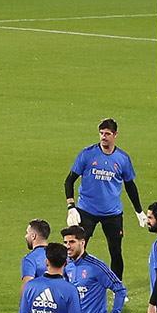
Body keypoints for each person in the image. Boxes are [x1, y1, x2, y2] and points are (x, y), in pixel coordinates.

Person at [64, 118, 146, 279]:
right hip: (87, 211)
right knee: (76, 248)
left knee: (115, 251)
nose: (103, 137)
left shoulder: (122, 158)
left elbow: (130, 185)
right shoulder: (87, 154)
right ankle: (70, 282)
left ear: (115, 135)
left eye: (107, 134)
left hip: (112, 213)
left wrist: (139, 211)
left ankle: (117, 287)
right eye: (101, 133)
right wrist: (71, 206)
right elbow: (69, 180)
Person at [21, 218, 51, 293]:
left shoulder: (30, 259)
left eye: (27, 233)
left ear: (33, 236)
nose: (25, 236)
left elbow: (27, 287)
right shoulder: (59, 254)